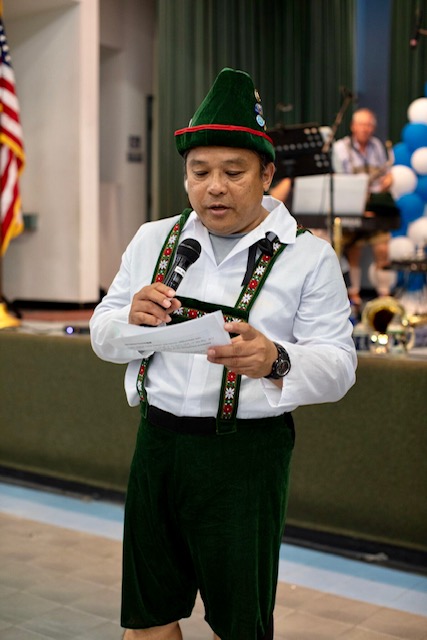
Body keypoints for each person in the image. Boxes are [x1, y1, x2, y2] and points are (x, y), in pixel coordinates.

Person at [90, 68, 357, 640]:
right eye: (200, 171)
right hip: (157, 445)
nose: (215, 187)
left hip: (246, 458)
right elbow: (101, 334)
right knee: (147, 619)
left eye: (234, 173)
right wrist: (128, 320)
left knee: (238, 627)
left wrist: (276, 359)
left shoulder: (307, 257)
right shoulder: (153, 239)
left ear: (267, 175)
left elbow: (340, 366)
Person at [333, 108, 394, 308]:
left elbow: (385, 172)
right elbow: (338, 179)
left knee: (382, 248)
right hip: (350, 205)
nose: (365, 129)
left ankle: (385, 298)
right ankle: (354, 297)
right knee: (354, 249)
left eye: (369, 125)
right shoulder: (341, 148)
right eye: (361, 124)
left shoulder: (377, 146)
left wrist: (388, 180)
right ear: (352, 127)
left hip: (373, 205)